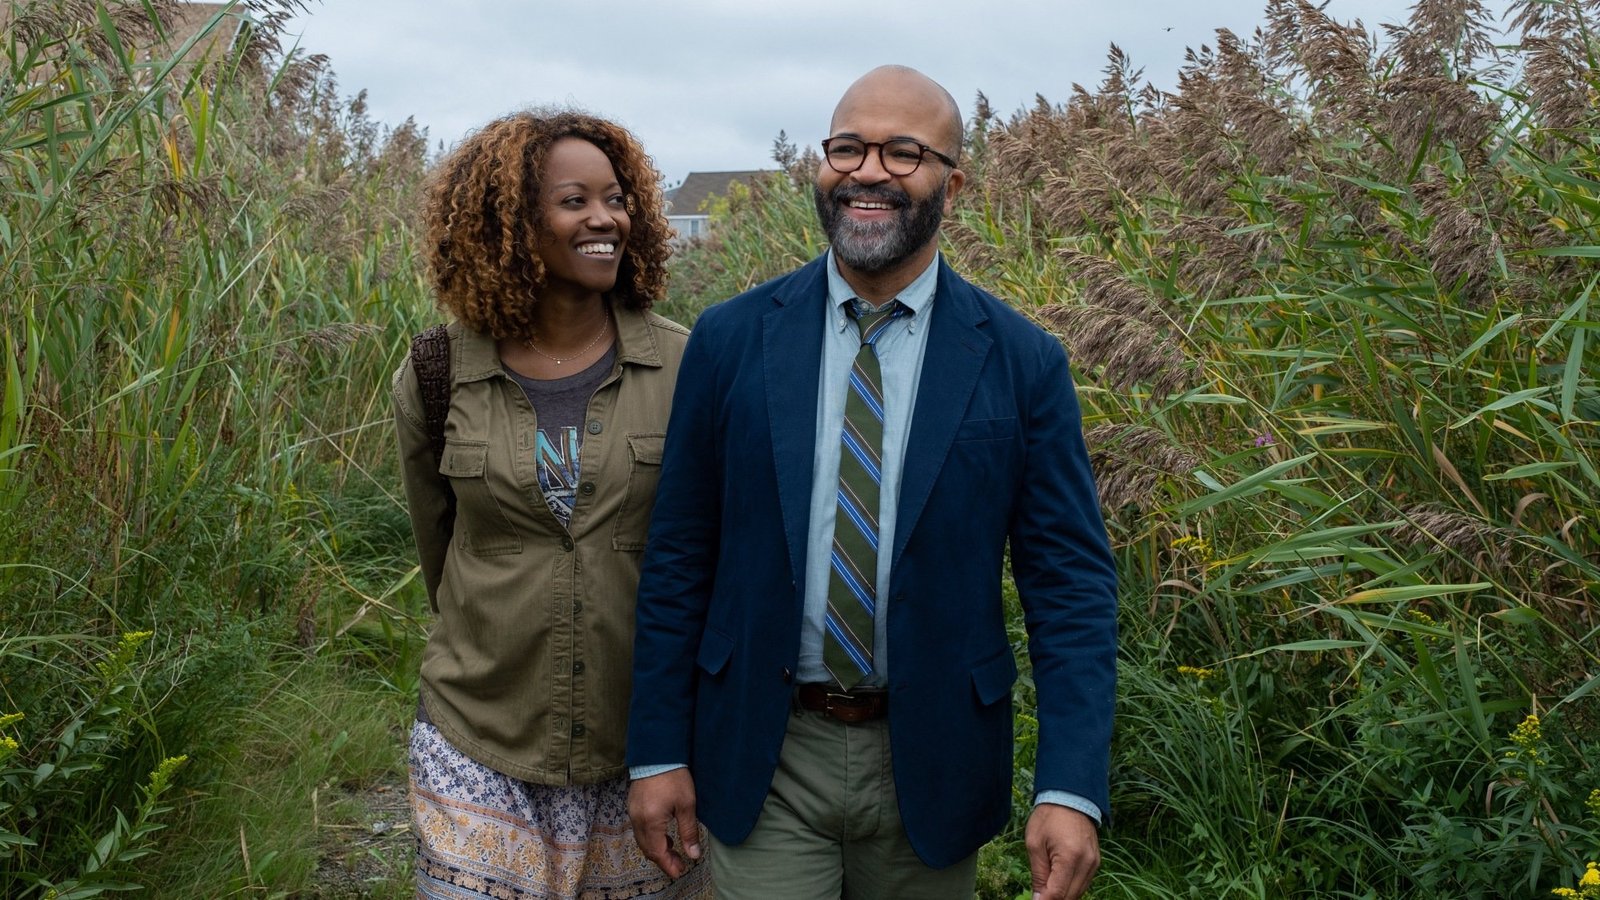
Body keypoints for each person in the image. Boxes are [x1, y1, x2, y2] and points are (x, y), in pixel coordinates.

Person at [625, 65, 1118, 900]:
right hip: (767, 748)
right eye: (847, 148)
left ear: (951, 183)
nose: (867, 172)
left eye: (903, 153)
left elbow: (1070, 588)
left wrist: (1069, 787)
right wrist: (658, 750)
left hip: (932, 755)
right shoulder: (731, 339)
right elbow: (678, 556)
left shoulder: (1020, 361)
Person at [393, 109, 711, 899]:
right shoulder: (437, 372)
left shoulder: (688, 364)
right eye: (575, 201)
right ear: (510, 223)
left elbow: (712, 552)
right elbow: (441, 549)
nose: (605, 218)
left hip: (639, 746)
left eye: (616, 199)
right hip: (478, 734)